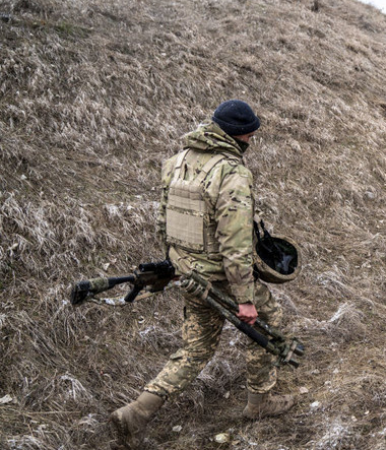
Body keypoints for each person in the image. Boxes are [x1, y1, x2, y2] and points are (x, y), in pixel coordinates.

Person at [110, 100, 295, 446]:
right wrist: (246, 300)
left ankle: (136, 412)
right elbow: (236, 244)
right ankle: (259, 402)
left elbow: (163, 223)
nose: (251, 143)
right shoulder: (232, 173)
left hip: (191, 276)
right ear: (239, 135)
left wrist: (177, 265)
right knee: (270, 329)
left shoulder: (177, 161)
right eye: (250, 137)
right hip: (224, 277)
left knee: (195, 349)